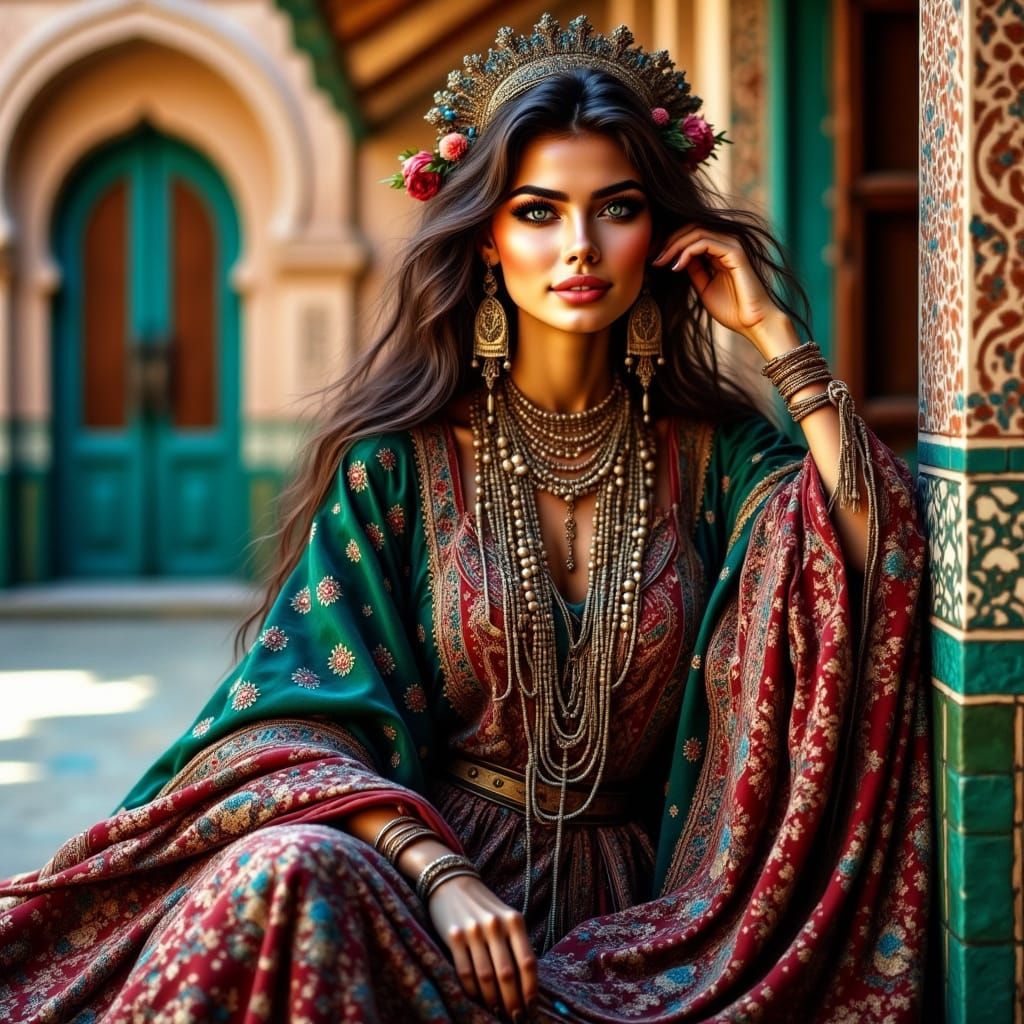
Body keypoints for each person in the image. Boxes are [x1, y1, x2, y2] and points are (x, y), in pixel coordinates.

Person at [0, 13, 930, 1023]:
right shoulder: (398, 463)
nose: (578, 246)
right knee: (281, 868)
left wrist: (779, 342)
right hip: (430, 896)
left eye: (616, 208)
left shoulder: (717, 460)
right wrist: (435, 872)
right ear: (487, 233)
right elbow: (291, 718)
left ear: (659, 231)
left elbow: (871, 557)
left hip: (658, 928)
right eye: (538, 210)